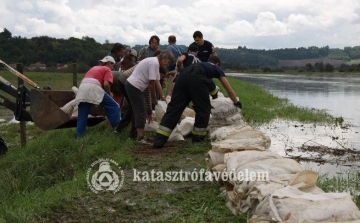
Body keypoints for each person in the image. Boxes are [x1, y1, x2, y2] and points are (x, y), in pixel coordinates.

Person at [153, 56, 242, 149]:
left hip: (181, 77)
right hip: (196, 79)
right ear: (217, 65)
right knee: (203, 109)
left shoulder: (201, 65)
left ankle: (159, 139)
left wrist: (214, 95)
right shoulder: (217, 69)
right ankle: (197, 138)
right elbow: (229, 90)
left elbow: (210, 86)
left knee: (174, 109)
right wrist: (236, 102)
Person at [125, 51, 174, 143]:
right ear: (163, 58)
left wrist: (162, 96)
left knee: (139, 109)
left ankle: (137, 134)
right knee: (141, 110)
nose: (166, 65)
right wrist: (154, 98)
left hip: (135, 86)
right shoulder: (154, 63)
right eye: (167, 62)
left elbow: (157, 82)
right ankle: (140, 137)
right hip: (134, 86)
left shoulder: (155, 63)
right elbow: (151, 83)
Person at [75, 56, 120, 138]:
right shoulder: (107, 69)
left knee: (82, 115)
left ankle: (78, 137)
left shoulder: (93, 68)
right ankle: (118, 130)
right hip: (94, 88)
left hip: (82, 88)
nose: (112, 67)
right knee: (114, 106)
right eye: (112, 65)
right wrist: (109, 93)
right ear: (109, 63)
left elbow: (83, 80)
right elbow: (106, 84)